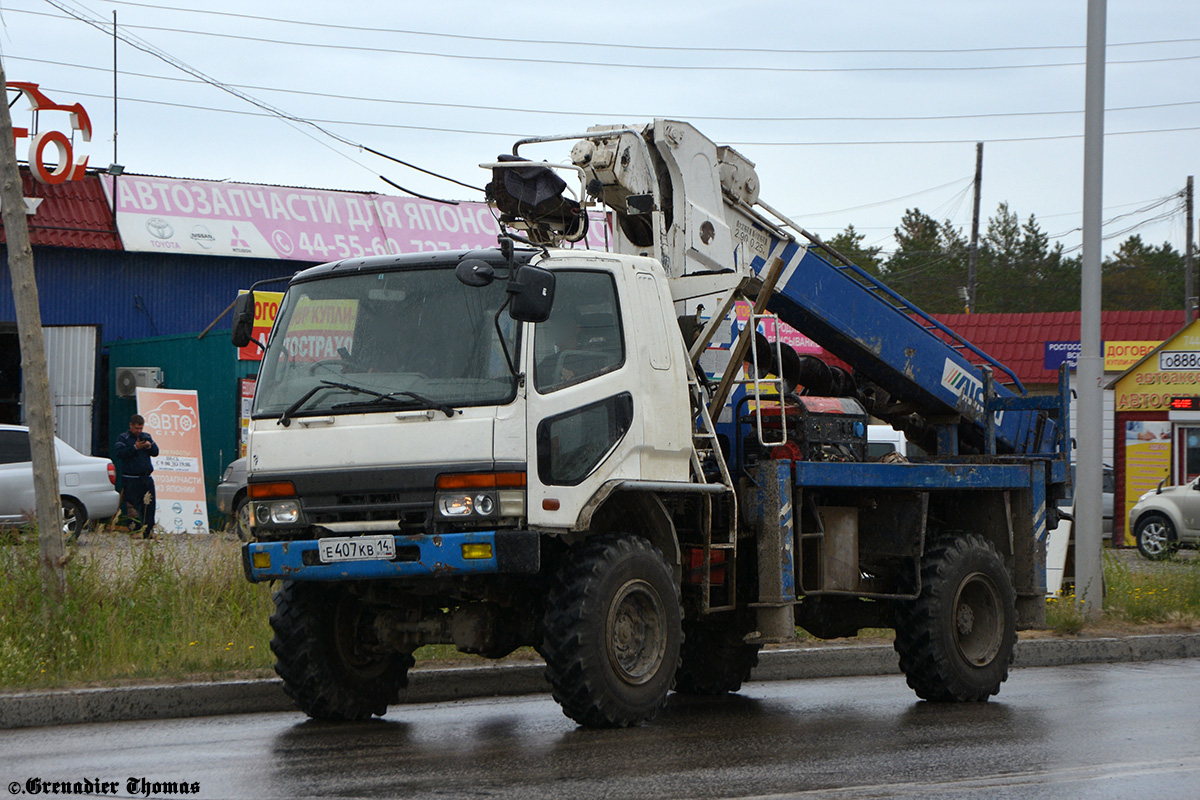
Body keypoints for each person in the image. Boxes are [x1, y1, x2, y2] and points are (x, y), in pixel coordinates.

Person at [114, 414, 159, 538]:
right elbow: (119, 453)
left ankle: (148, 531)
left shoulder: (146, 437)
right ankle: (134, 531)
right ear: (131, 426)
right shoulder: (123, 438)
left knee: (149, 506)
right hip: (131, 478)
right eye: (136, 428)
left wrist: (149, 446)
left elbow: (156, 452)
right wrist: (135, 448)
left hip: (146, 477)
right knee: (132, 506)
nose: (138, 431)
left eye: (140, 428)